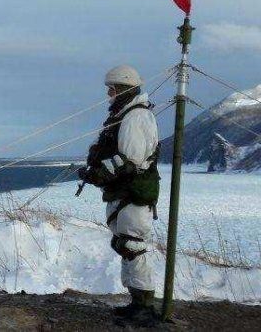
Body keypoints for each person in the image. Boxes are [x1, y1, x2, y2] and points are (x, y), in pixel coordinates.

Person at [77, 64, 161, 325]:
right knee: (126, 245)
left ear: (123, 89)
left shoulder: (135, 117)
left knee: (132, 246)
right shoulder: (127, 114)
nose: (109, 95)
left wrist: (98, 174)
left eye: (112, 89)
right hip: (125, 192)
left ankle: (144, 309)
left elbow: (131, 159)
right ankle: (137, 302)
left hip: (133, 193)